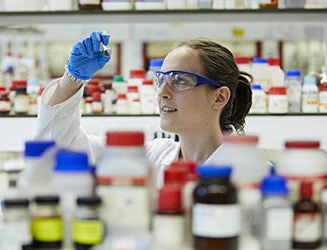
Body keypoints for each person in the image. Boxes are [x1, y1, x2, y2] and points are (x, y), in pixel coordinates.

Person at [34, 30, 253, 187]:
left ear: (220, 97)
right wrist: (72, 79)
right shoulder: (152, 158)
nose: (162, 92)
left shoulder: (251, 173)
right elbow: (57, 149)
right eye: (161, 80)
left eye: (179, 80)